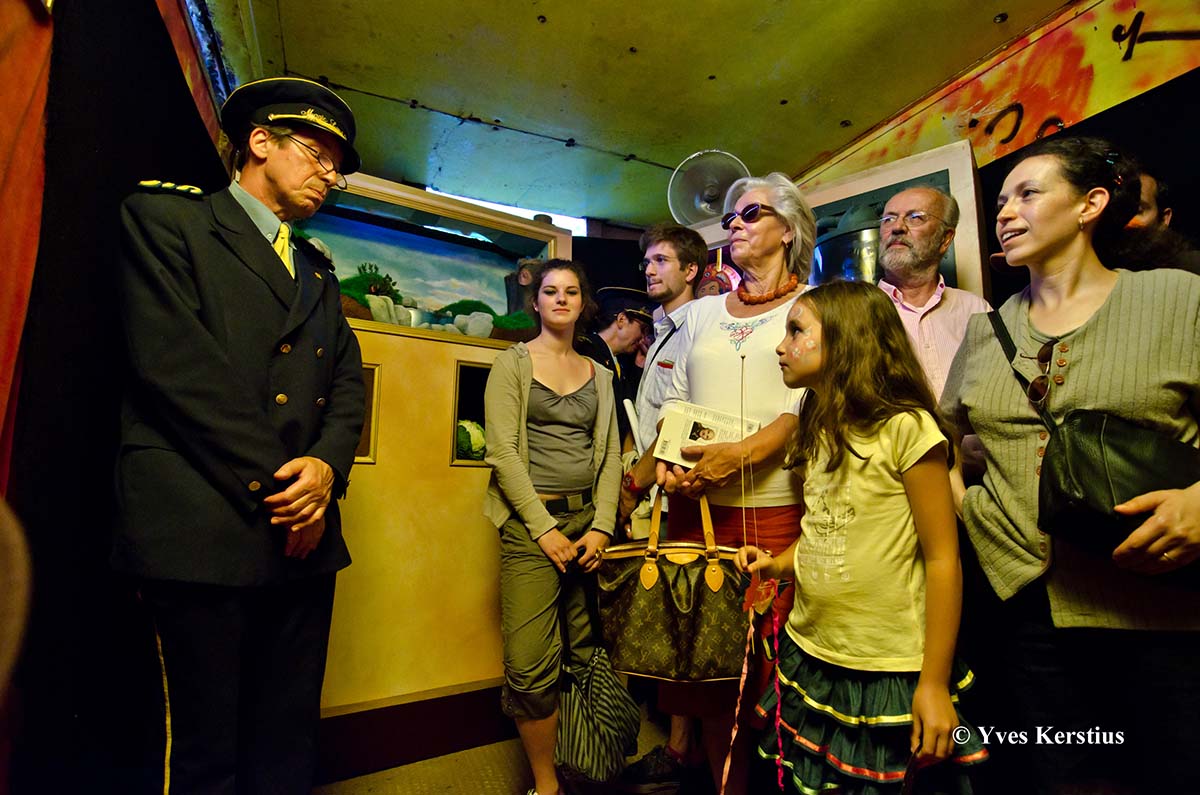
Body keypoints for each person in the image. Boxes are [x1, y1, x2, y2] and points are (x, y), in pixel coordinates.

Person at [113, 77, 366, 794]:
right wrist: (287, 490)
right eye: (317, 155)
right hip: (204, 526)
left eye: (336, 167)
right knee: (205, 751)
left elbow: (347, 384)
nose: (329, 176)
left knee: (286, 737)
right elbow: (176, 369)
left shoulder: (316, 271)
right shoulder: (168, 221)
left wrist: (326, 469)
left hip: (305, 535)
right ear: (260, 142)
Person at [941, 135, 1200, 794]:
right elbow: (943, 440)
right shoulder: (986, 330)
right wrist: (969, 505)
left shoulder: (1177, 299)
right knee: (1062, 779)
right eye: (1001, 201)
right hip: (1026, 620)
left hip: (1161, 613)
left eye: (1028, 193)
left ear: (1091, 203)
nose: (1005, 212)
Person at [736, 280, 988, 793]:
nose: (781, 346)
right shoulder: (819, 425)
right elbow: (826, 529)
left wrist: (933, 682)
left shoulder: (907, 429)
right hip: (814, 648)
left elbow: (943, 558)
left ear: (846, 340)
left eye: (796, 331)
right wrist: (776, 564)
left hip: (888, 663)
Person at [623, 173, 813, 794]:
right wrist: (663, 464)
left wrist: (739, 457)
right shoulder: (701, 313)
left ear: (788, 229)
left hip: (774, 513)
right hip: (694, 513)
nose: (733, 223)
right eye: (729, 216)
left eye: (750, 213)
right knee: (705, 672)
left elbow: (804, 406)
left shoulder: (814, 307)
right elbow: (675, 404)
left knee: (772, 671)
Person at [483, 259, 623, 795]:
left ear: (583, 303)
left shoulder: (601, 375)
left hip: (587, 526)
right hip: (530, 529)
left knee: (585, 649)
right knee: (528, 661)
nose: (561, 299)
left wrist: (602, 528)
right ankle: (547, 786)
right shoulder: (512, 364)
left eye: (571, 291)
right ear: (535, 302)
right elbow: (502, 453)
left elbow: (611, 456)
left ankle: (586, 762)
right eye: (550, 291)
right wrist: (544, 531)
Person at [877, 186, 991, 401]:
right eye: (888, 219)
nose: (897, 227)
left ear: (945, 239)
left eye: (915, 217)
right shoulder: (856, 312)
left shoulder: (976, 310)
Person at [575, 286, 654, 444]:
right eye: (642, 329)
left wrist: (638, 367)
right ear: (622, 319)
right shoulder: (586, 351)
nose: (643, 338)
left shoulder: (618, 362)